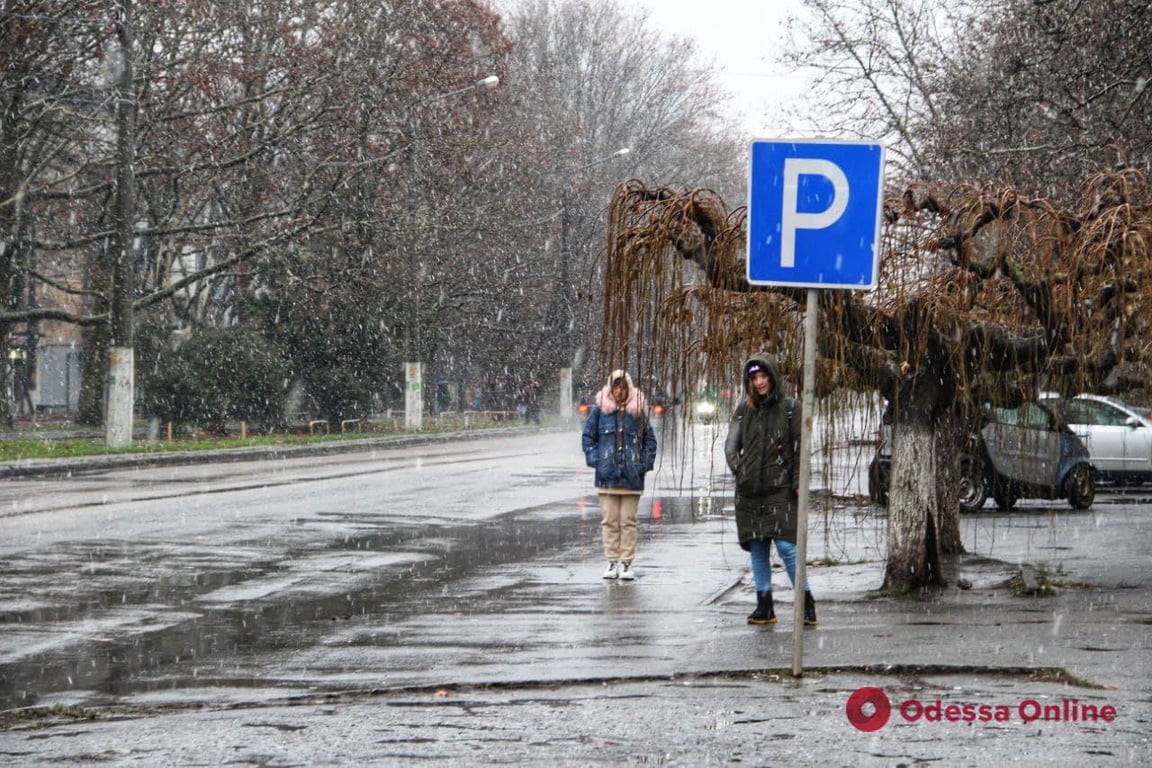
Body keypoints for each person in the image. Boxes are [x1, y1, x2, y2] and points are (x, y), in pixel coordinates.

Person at [724, 353, 817, 626]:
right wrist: (740, 469)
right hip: (750, 492)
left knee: (788, 547)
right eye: (754, 378)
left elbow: (802, 449)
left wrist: (799, 482)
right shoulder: (744, 410)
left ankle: (806, 602)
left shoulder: (790, 409)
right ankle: (764, 604)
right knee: (758, 548)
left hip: (780, 490)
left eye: (763, 376)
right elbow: (731, 446)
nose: (760, 382)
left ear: (772, 377)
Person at [581, 370, 657, 581]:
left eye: (623, 387)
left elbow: (649, 441)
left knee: (627, 521)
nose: (619, 391)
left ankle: (626, 562)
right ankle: (612, 560)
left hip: (631, 479)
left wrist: (642, 465)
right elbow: (588, 438)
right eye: (616, 387)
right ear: (610, 388)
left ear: (629, 388)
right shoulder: (600, 412)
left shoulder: (638, 413)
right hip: (607, 478)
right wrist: (598, 460)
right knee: (610, 520)